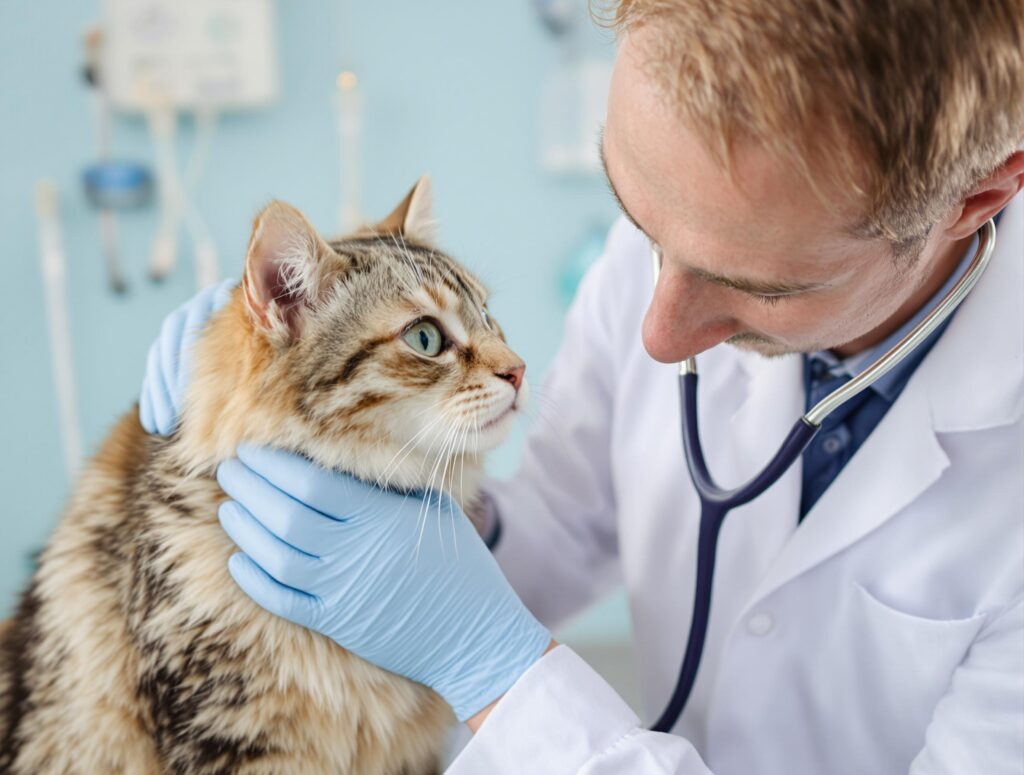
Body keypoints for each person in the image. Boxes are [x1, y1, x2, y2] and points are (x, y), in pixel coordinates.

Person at [140, 1, 1024, 772]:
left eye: (760, 286)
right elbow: (561, 526)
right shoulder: (696, 234)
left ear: (976, 200)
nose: (658, 329)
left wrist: (493, 664)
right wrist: (416, 497)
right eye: (640, 220)